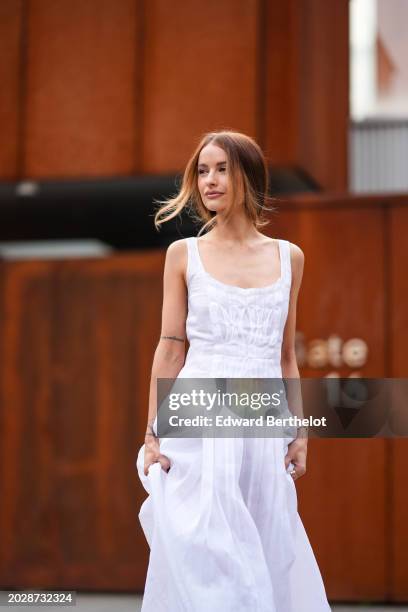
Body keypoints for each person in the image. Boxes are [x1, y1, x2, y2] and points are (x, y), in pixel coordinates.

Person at [136, 130, 331, 611]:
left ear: (248, 175)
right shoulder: (183, 254)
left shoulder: (289, 258)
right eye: (202, 171)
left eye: (221, 168)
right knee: (206, 560)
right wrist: (152, 429)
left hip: (261, 429)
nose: (210, 180)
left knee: (265, 553)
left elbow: (285, 356)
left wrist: (299, 433)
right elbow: (170, 346)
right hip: (197, 424)